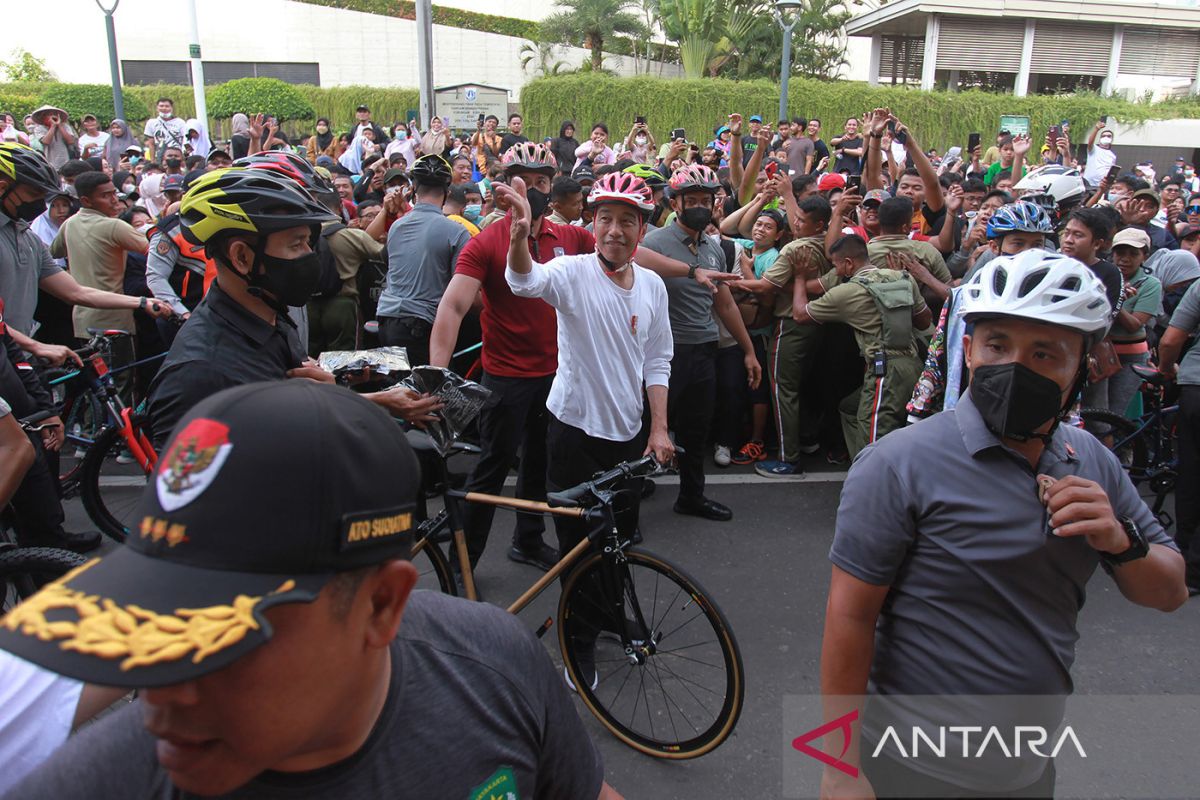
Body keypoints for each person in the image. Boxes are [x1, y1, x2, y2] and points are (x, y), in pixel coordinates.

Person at [0, 380, 622, 800]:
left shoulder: (493, 663)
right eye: (147, 621)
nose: (160, 692)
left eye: (225, 639)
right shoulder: (95, 783)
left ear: (382, 606)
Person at [821, 250, 1186, 800]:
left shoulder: (1091, 460)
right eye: (998, 345)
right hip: (911, 767)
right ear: (968, 351)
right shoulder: (898, 463)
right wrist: (839, 768)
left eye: (1045, 353)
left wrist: (1119, 540)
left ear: (1082, 368)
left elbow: (1170, 592)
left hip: (1028, 767)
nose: (1017, 367)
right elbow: (850, 619)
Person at [505, 170, 675, 689]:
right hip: (573, 432)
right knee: (579, 547)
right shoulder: (572, 272)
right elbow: (523, 281)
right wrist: (518, 240)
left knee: (617, 543)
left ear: (642, 229)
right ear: (591, 223)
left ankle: (607, 617)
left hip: (626, 436)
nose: (614, 230)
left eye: (627, 220)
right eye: (605, 219)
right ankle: (577, 647)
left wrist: (659, 429)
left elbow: (659, 358)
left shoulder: (651, 284)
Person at [145, 168, 438, 449]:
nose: (311, 257)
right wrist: (334, 403)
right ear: (242, 257)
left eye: (310, 243)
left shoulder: (269, 318)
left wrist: (357, 391)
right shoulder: (200, 374)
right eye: (297, 244)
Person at [640, 164, 761, 520]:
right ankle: (629, 498)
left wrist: (749, 350)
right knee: (647, 426)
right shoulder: (655, 242)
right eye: (690, 199)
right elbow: (635, 265)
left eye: (705, 200)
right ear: (674, 203)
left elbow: (724, 303)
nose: (698, 206)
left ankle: (692, 496)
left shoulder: (715, 246)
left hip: (705, 351)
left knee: (696, 429)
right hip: (665, 354)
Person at [796, 234, 930, 458]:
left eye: (836, 265)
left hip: (884, 370)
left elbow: (800, 314)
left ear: (848, 263)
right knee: (851, 408)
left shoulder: (847, 292)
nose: (836, 271)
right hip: (914, 365)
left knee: (874, 438)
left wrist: (800, 278)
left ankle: (871, 483)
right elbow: (924, 319)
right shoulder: (902, 277)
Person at [374, 155, 469, 366]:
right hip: (421, 324)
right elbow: (462, 286)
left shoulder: (397, 226)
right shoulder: (457, 231)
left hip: (387, 319)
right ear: (447, 192)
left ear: (414, 188)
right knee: (426, 394)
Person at [1102, 227, 1161, 421]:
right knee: (1096, 412)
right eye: (1120, 252)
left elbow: (1134, 324)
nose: (1125, 259)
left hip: (1130, 358)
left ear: (1144, 256)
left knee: (1115, 413)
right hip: (1100, 354)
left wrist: (1114, 299)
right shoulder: (1104, 275)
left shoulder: (1150, 284)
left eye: (1133, 253)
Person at [29, 106, 76, 170]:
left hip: (66, 161)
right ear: (42, 117)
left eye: (53, 114)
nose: (51, 116)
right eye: (48, 114)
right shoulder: (39, 128)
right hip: (50, 162)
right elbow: (46, 142)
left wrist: (60, 125)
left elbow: (71, 141)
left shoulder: (65, 126)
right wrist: (53, 126)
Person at [1083, 120, 1118, 186]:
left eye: (1109, 136)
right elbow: (1090, 142)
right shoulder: (1094, 149)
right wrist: (1096, 129)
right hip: (1089, 183)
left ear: (1112, 139)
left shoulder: (1112, 156)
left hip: (1102, 185)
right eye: (1103, 136)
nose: (1106, 137)